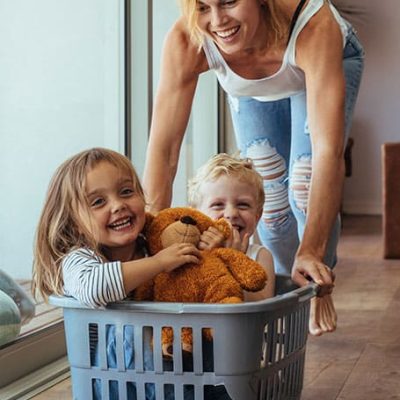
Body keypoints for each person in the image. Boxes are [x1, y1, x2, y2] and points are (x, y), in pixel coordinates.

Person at [143, 0, 364, 335]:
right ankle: (286, 291)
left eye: (229, 2)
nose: (217, 21)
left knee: (303, 186)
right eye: (203, 7)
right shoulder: (188, 38)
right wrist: (148, 247)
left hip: (320, 59)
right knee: (270, 206)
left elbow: (327, 153)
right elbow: (164, 150)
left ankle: (317, 279)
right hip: (254, 89)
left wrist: (312, 251)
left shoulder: (312, 24)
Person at [32, 147, 201, 400]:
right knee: (128, 326)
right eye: (98, 202)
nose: (118, 205)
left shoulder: (151, 246)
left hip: (171, 371)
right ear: (74, 224)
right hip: (109, 384)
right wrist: (159, 263)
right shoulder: (79, 259)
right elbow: (94, 288)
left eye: (126, 192)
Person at [188, 153, 275, 300]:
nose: (231, 214)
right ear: (196, 215)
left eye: (243, 205)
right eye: (218, 205)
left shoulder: (260, 256)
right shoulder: (189, 250)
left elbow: (261, 305)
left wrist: (234, 260)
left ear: (257, 216)